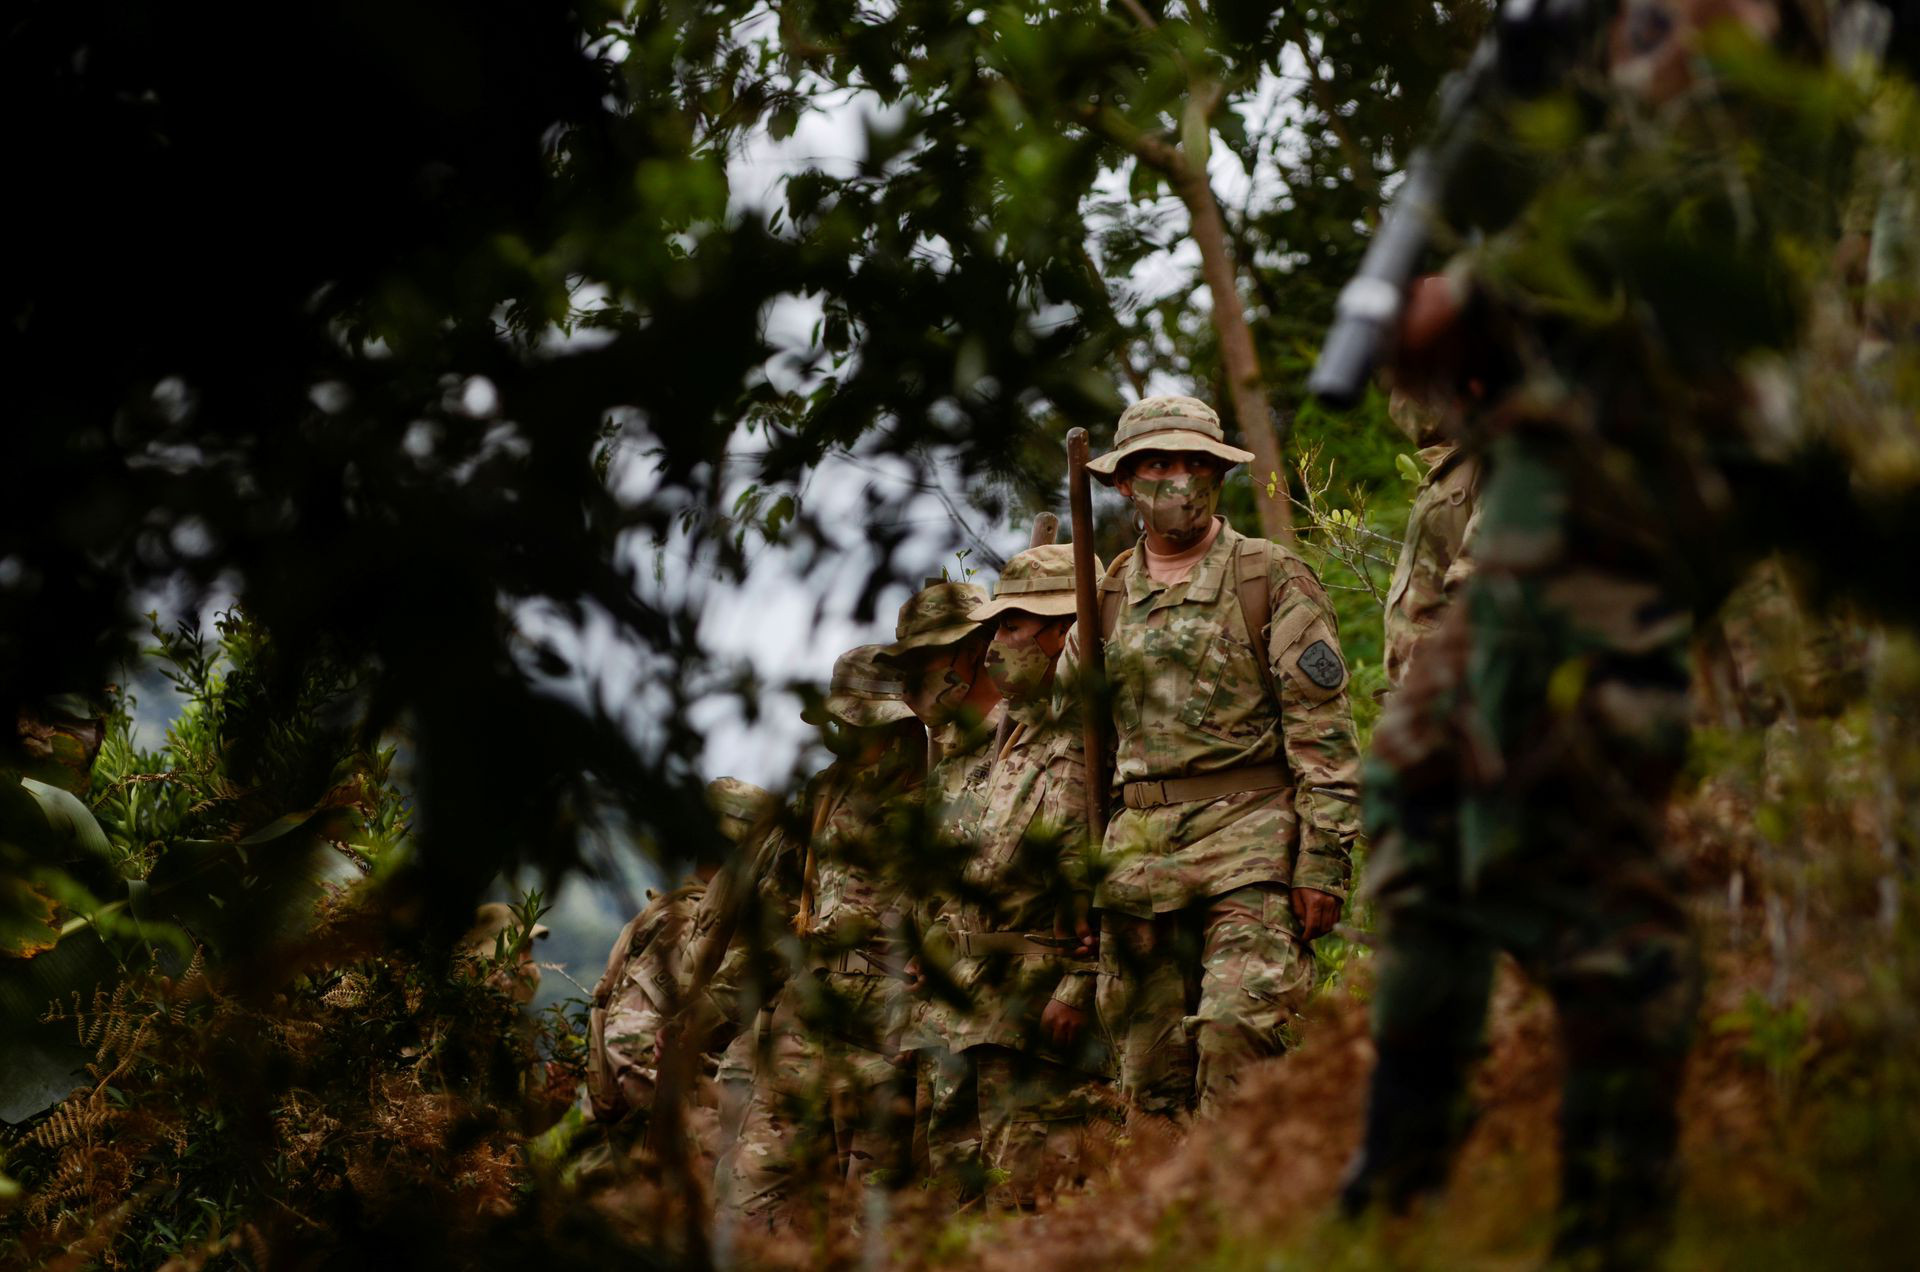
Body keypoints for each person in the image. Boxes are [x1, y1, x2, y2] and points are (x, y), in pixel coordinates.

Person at [1337, 3, 1890, 1261]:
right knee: (1421, 779)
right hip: (1587, 424)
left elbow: (1704, 172)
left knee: (1562, 819)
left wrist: (1469, 299)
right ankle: (1398, 1199)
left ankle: (1615, 1214)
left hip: (1678, 424)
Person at [1071, 394, 1365, 1119]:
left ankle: (1255, 1215)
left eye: (1195, 462)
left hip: (1252, 846)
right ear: (1123, 483)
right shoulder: (1101, 598)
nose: (1178, 480)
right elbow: (1074, 755)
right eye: (1158, 464)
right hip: (1136, 864)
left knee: (1241, 1037)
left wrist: (1322, 863)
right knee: (1147, 1087)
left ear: (1219, 474)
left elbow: (1322, 731)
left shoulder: (1268, 576)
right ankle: (1183, 1226)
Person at [914, 544, 1111, 1207]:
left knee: (1030, 1205)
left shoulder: (1096, 732)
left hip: (1040, 1012)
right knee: (960, 1207)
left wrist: (1080, 986)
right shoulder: (1003, 733)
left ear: (1063, 634)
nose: (995, 646)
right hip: (974, 1011)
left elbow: (1108, 870)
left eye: (1013, 627)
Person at [711, 645, 924, 1232]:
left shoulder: (942, 788)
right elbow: (776, 913)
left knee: (869, 1219)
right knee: (751, 1200)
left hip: (892, 1026)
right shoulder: (823, 794)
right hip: (808, 1018)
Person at [874, 579, 1006, 1192]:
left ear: (972, 651)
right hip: (946, 1027)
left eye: (924, 662)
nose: (910, 685)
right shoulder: (942, 765)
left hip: (1014, 1014)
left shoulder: (1027, 740)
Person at [585, 777, 773, 1148]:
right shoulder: (693, 923)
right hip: (668, 1139)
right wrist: (700, 1126)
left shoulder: (692, 914)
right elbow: (630, 1038)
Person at [1380, 386, 1480, 694]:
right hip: (1429, 699)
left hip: (1458, 699)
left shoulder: (1498, 461)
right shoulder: (1452, 470)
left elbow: (1483, 595)